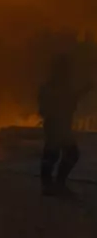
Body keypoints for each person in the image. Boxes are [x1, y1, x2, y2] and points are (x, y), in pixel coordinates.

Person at [38, 55, 93, 193]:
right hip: (55, 126)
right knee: (53, 154)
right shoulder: (50, 88)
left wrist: (85, 90)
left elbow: (70, 99)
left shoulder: (60, 87)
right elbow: (45, 109)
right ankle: (49, 185)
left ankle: (56, 183)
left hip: (62, 126)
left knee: (68, 154)